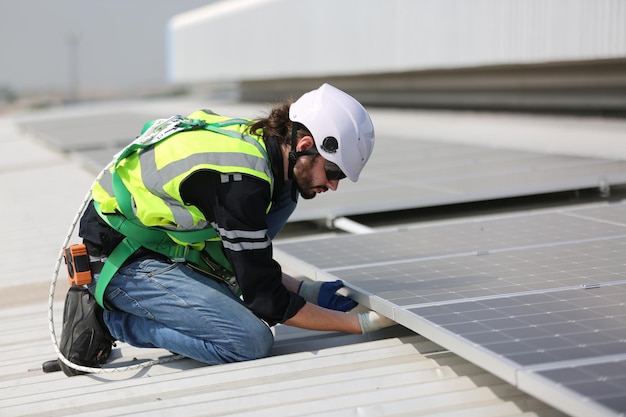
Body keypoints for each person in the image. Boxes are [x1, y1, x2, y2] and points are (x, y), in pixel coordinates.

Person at [64, 83, 395, 371]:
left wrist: (306, 291)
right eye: (334, 172)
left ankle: (207, 291)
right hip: (122, 257)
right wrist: (358, 324)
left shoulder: (260, 143)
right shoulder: (241, 183)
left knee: (287, 192)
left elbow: (253, 266)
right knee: (249, 340)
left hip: (160, 239)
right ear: (305, 145)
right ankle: (109, 321)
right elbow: (267, 300)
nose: (334, 186)